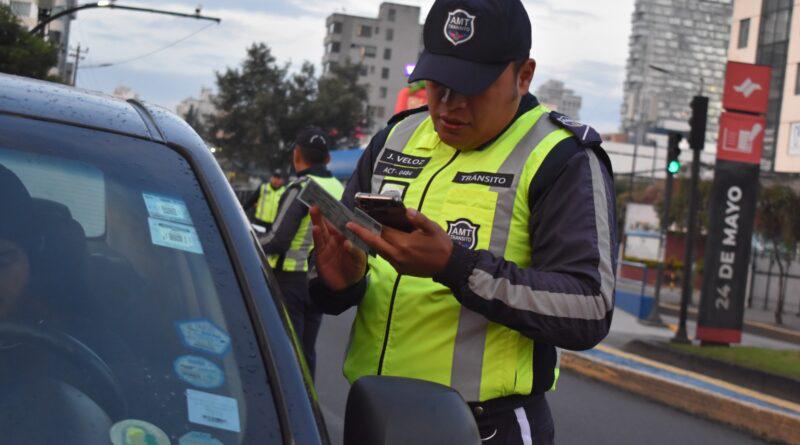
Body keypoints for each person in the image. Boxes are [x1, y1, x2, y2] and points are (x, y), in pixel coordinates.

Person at [308, 0, 617, 443]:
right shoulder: (395, 138)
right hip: (377, 416)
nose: (450, 106)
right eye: (440, 86)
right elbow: (345, 275)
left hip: (484, 429)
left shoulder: (560, 158)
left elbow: (589, 307)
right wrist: (340, 283)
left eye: (473, 88)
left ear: (523, 75)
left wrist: (456, 267)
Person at [261, 127, 344, 377]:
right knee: (307, 350)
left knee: (288, 350)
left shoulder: (301, 187)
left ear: (296, 154)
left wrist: (242, 244)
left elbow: (277, 240)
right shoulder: (339, 188)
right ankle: (309, 408)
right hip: (321, 281)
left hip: (291, 280)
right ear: (328, 159)